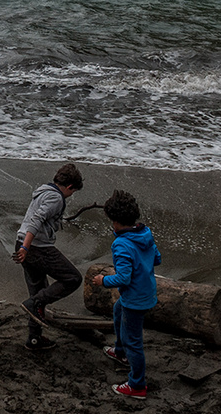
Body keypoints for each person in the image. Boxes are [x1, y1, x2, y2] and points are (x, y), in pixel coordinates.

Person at [91, 190, 162, 400]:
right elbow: (156, 259)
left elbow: (123, 278)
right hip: (146, 291)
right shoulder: (145, 233)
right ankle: (119, 352)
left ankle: (137, 385)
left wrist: (102, 281)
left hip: (135, 299)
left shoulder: (121, 244)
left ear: (115, 222)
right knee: (117, 310)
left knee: (135, 341)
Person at [14, 161, 85, 351]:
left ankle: (34, 339)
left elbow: (39, 218)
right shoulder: (56, 198)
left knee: (39, 290)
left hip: (22, 243)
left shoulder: (43, 192)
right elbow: (37, 220)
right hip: (35, 248)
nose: (71, 196)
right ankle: (34, 303)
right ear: (69, 186)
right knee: (73, 278)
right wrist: (27, 248)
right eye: (73, 192)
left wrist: (23, 246)